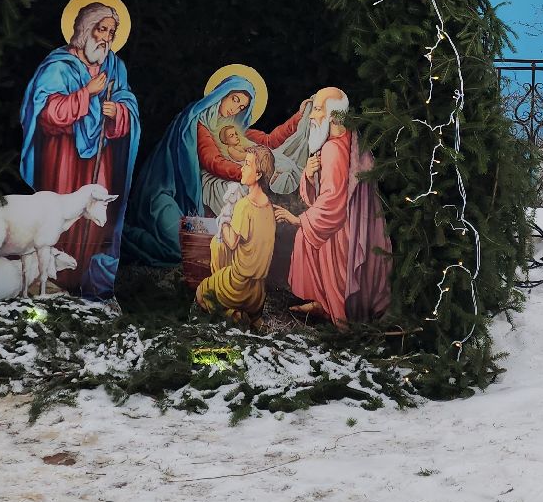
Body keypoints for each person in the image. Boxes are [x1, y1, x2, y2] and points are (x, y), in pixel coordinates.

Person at [19, 0, 140, 299]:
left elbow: (129, 104)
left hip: (101, 156)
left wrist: (118, 112)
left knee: (97, 217)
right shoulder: (59, 65)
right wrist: (87, 93)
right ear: (86, 28)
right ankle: (53, 281)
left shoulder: (114, 66)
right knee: (61, 219)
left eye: (112, 32)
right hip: (65, 158)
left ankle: (89, 282)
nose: (106, 38)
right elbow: (47, 113)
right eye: (102, 29)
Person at [130, 72, 305, 267]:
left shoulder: (233, 129)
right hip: (165, 193)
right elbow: (212, 160)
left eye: (241, 107)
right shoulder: (198, 122)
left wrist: (298, 118)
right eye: (234, 99)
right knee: (178, 246)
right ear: (221, 94)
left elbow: (268, 141)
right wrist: (248, 174)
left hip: (191, 202)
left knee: (204, 244)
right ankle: (127, 235)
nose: (234, 109)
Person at [273, 87, 392, 325]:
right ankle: (322, 302)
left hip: (342, 232)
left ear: (332, 116)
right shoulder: (349, 138)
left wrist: (298, 220)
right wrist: (308, 174)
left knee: (304, 238)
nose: (313, 117)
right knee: (307, 235)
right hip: (355, 225)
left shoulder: (332, 149)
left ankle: (334, 310)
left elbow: (332, 204)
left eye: (317, 110)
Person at [196, 147, 279, 328]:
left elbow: (232, 242)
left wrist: (224, 222)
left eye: (247, 164)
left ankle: (232, 314)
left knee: (201, 294)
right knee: (218, 247)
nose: (242, 168)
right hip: (257, 293)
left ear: (258, 175)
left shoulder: (244, 205)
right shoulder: (268, 206)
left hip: (237, 285)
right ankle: (252, 316)